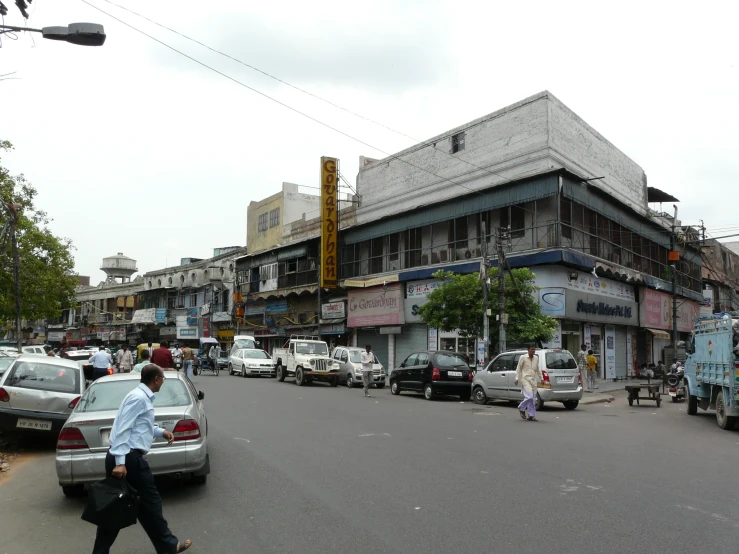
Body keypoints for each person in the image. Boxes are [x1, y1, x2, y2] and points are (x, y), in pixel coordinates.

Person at [92, 365, 192, 554]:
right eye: (163, 378)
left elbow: (141, 425)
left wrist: (162, 432)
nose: (163, 381)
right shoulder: (138, 398)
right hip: (128, 459)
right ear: (156, 379)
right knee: (150, 502)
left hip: (124, 456)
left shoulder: (140, 397)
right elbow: (123, 428)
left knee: (118, 508)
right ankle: (168, 545)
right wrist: (120, 462)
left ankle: (166, 545)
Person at [514, 345, 543, 422]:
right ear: (528, 350)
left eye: (534, 349)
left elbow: (537, 369)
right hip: (525, 379)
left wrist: (541, 378)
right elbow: (518, 368)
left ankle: (531, 415)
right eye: (531, 349)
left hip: (533, 380)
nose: (533, 351)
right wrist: (516, 378)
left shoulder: (536, 358)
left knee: (532, 399)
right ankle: (521, 407)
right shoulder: (523, 357)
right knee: (529, 396)